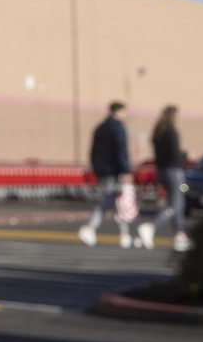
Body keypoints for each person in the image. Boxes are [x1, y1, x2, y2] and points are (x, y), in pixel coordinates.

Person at [79, 101, 133, 247]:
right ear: (118, 111)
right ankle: (90, 227)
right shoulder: (118, 128)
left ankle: (125, 235)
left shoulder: (100, 127)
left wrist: (97, 168)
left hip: (103, 169)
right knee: (109, 199)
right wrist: (126, 170)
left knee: (116, 201)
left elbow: (93, 151)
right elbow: (121, 151)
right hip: (114, 170)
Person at [143, 105, 190, 252]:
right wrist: (185, 156)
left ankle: (179, 235)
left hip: (161, 170)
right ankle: (151, 225)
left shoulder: (158, 132)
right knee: (176, 204)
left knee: (177, 202)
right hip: (173, 171)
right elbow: (175, 154)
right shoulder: (171, 132)